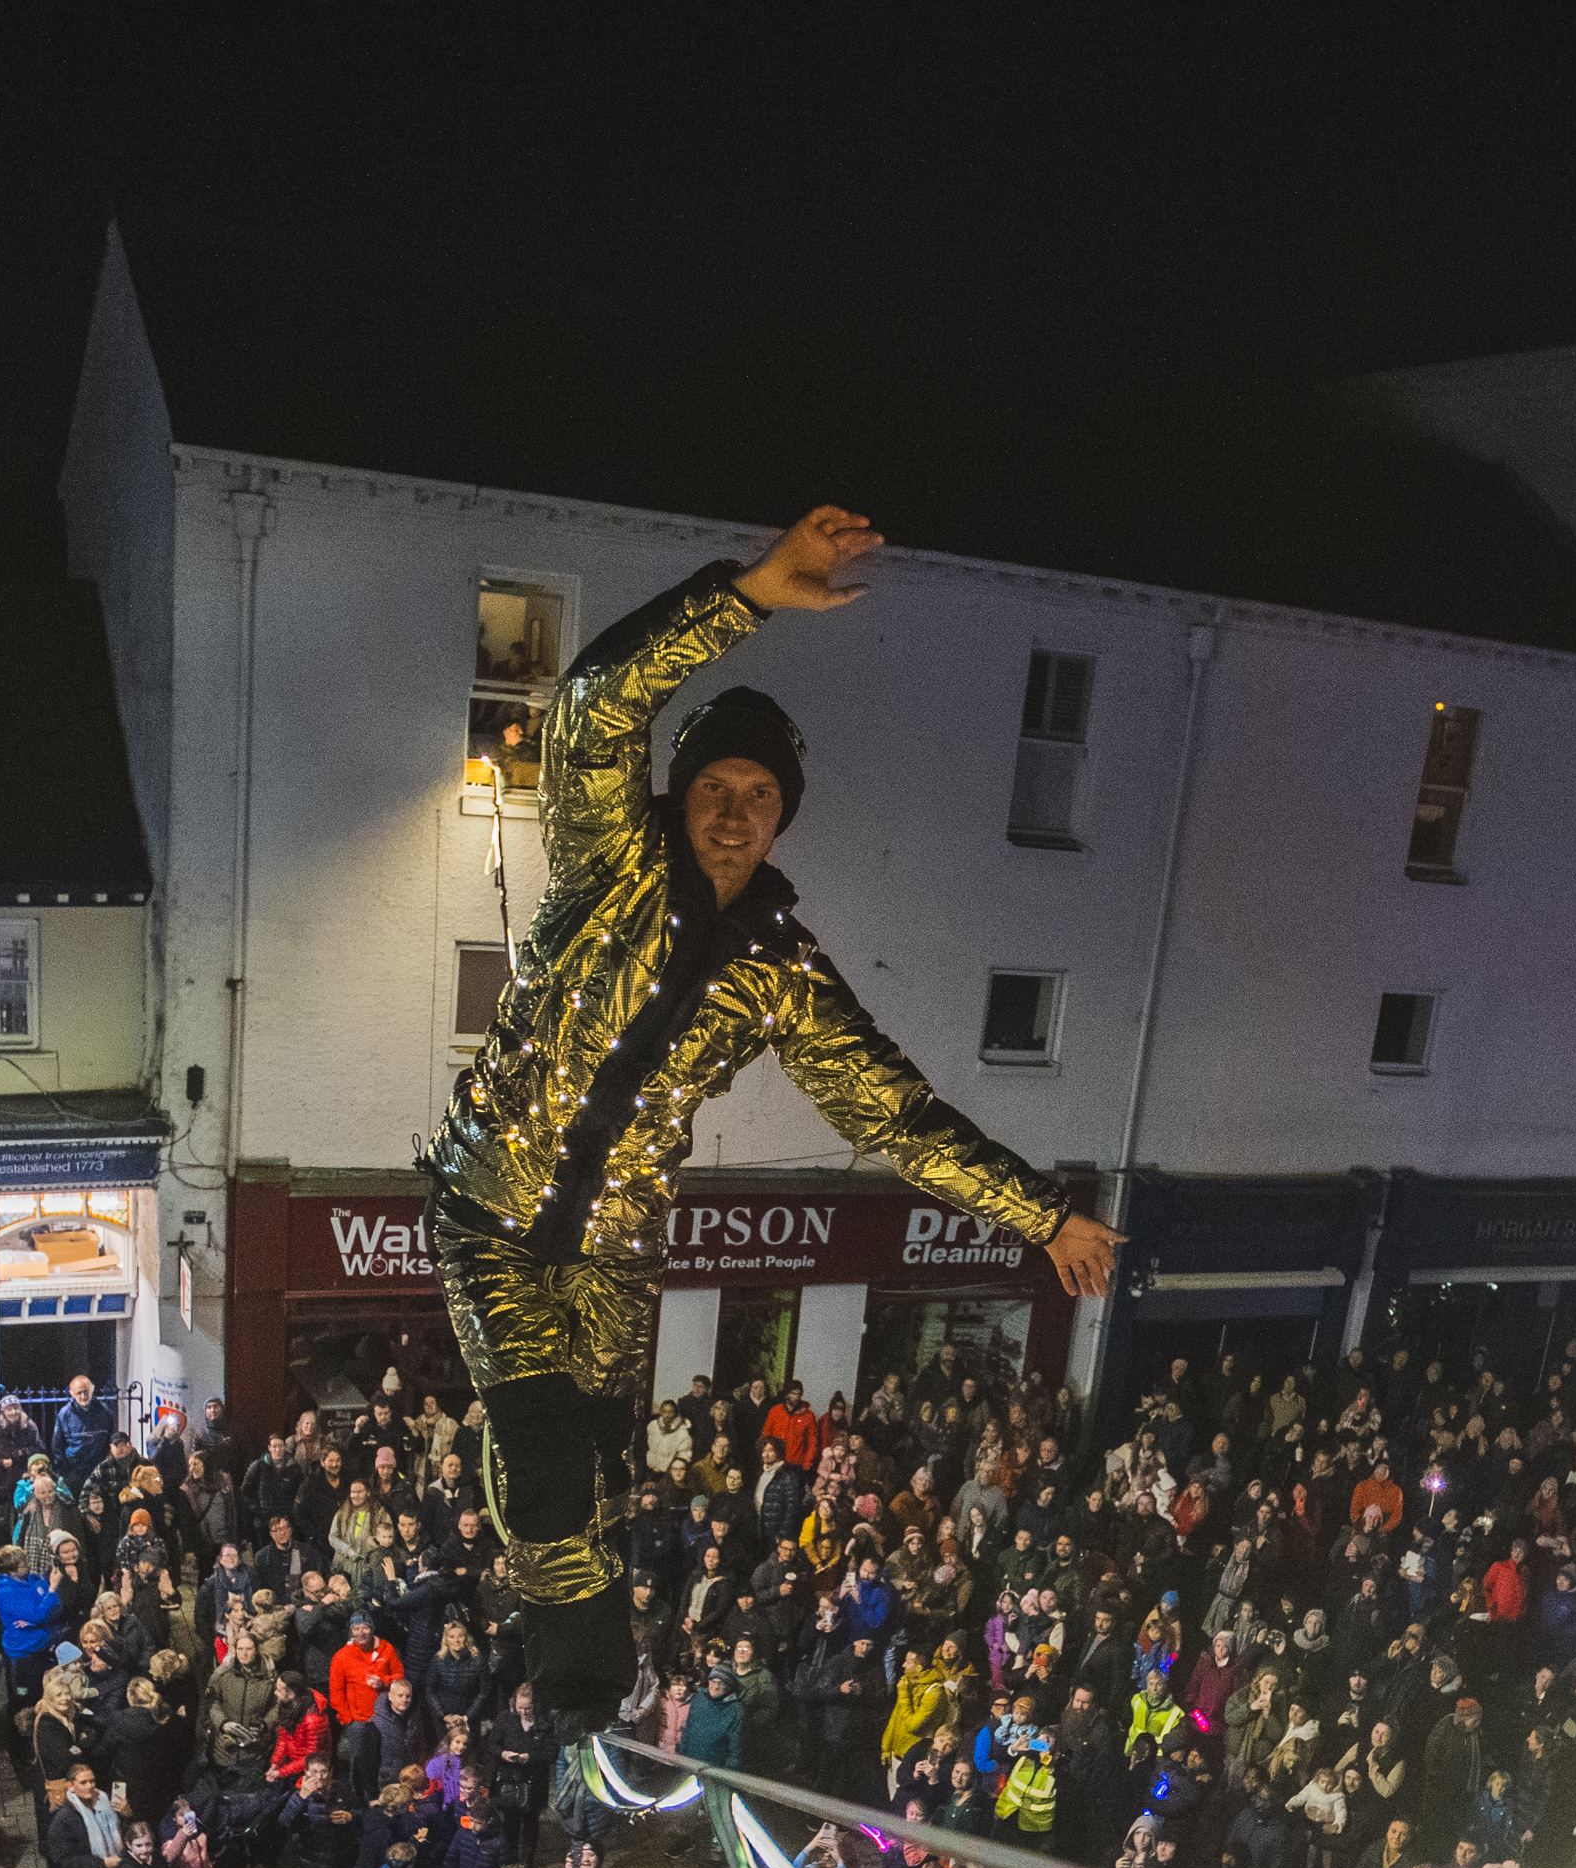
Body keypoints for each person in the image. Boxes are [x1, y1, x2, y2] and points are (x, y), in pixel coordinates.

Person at [423, 506, 1117, 1729]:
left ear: (782, 815)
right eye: (713, 788)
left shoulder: (783, 971)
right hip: (491, 1202)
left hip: (612, 1252)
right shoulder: (609, 861)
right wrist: (747, 597)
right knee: (534, 1450)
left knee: (588, 1469)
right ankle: (570, 1677)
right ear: (680, 794)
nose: (733, 814)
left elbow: (894, 1115)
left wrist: (1041, 1213)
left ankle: (609, 1643)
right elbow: (593, 703)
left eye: (758, 796)